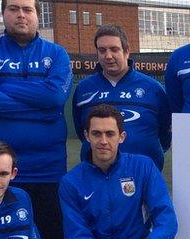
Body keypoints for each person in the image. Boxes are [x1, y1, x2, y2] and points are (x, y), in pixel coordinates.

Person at [0, 0, 71, 239]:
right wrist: (41, 107)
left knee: (51, 236)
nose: (21, 15)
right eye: (13, 9)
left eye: (27, 9)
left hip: (48, 173)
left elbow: (55, 97)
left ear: (37, 15)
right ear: (4, 14)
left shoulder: (57, 54)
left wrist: (3, 87)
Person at [59, 104, 178, 239]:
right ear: (87, 136)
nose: (103, 141)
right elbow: (77, 233)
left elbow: (165, 215)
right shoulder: (71, 182)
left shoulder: (143, 167)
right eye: (96, 133)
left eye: (110, 134)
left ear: (121, 137)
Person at [73, 24, 171, 170]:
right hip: (97, 175)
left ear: (126, 51)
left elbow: (165, 133)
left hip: (143, 175)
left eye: (114, 49)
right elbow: (81, 130)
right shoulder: (84, 89)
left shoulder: (153, 88)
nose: (108, 56)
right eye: (102, 50)